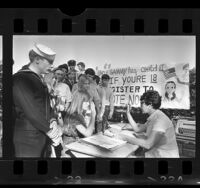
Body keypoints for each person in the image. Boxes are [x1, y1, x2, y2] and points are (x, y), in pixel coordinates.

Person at [12, 43, 63, 157]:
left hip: (41, 136)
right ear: (37, 59)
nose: (52, 65)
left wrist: (53, 119)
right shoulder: (21, 78)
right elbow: (31, 111)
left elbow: (45, 105)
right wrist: (51, 133)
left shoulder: (37, 79)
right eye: (49, 61)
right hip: (27, 140)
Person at [116, 90, 179, 158]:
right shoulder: (154, 117)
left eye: (142, 103)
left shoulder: (160, 120)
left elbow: (148, 144)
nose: (140, 106)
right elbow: (137, 129)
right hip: (155, 154)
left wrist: (123, 137)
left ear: (150, 105)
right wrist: (128, 113)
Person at [61, 90, 96, 157]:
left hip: (71, 146)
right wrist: (93, 115)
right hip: (70, 150)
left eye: (89, 102)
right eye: (86, 102)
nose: (88, 104)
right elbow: (88, 134)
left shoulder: (73, 113)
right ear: (80, 102)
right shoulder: (75, 116)